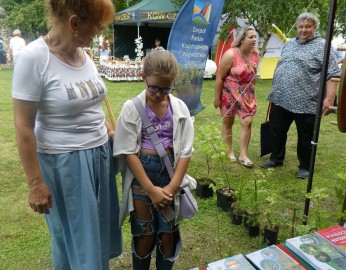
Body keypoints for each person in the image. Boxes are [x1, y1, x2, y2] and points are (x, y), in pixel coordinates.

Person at [12, 0, 122, 269]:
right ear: (74, 23)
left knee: (95, 234)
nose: (99, 32)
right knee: (72, 237)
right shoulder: (34, 58)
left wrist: (107, 130)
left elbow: (91, 101)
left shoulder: (84, 54)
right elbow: (23, 126)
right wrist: (35, 184)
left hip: (99, 156)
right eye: (96, 25)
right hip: (66, 164)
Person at [113, 50, 195, 270]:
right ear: (143, 77)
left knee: (168, 235)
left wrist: (172, 186)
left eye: (166, 88)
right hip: (142, 177)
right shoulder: (132, 109)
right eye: (154, 88)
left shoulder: (180, 109)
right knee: (145, 233)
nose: (159, 94)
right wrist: (150, 189)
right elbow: (128, 152)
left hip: (171, 175)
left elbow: (186, 151)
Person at [260, 12, 341, 179]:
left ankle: (305, 166)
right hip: (280, 98)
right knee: (277, 131)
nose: (304, 30)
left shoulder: (322, 46)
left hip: (307, 101)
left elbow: (333, 73)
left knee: (306, 135)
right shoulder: (289, 44)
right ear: (297, 27)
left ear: (315, 28)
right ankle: (276, 158)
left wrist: (329, 98)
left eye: (308, 26)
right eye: (301, 26)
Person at [214, 26, 259, 168]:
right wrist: (217, 98)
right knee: (228, 123)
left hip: (247, 94)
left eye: (255, 37)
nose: (254, 40)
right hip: (229, 93)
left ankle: (243, 155)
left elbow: (253, 75)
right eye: (251, 37)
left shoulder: (255, 55)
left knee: (247, 122)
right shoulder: (231, 54)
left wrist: (252, 92)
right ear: (242, 39)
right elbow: (220, 77)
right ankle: (229, 152)